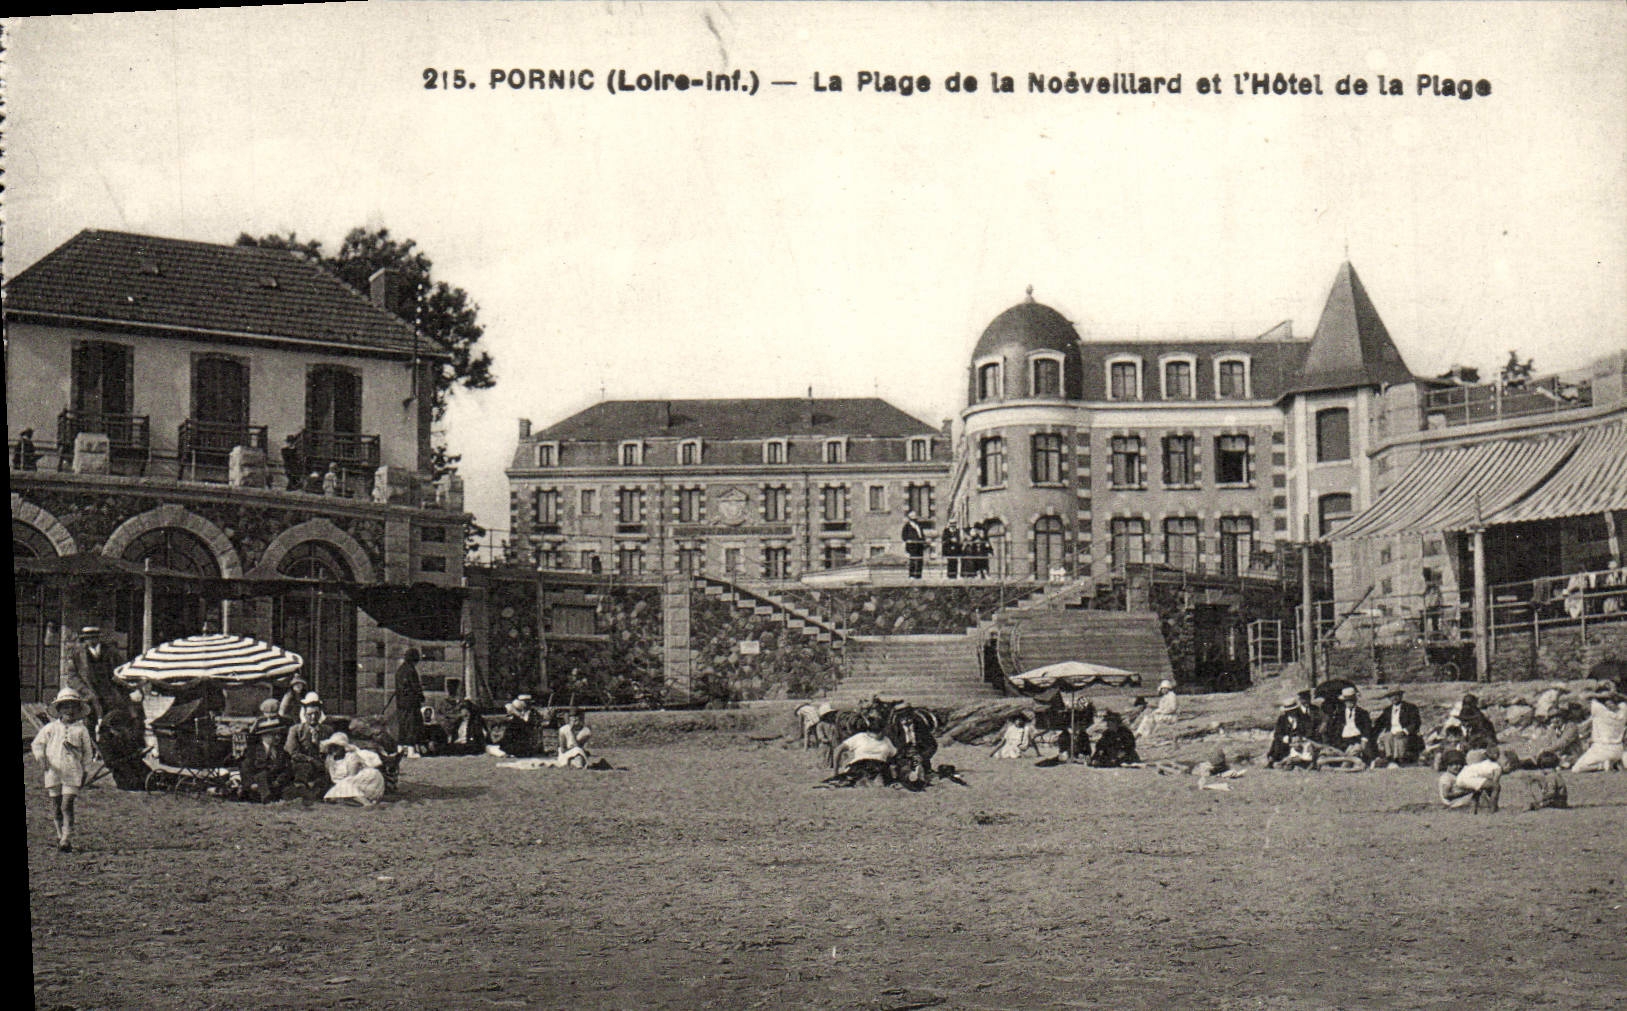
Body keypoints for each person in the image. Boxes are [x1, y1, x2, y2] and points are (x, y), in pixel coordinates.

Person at [32, 687, 97, 853]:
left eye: (73, 706)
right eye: (65, 707)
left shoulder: (81, 730)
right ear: (59, 710)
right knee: (56, 805)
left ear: (78, 709)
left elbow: (88, 754)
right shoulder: (51, 728)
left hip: (73, 772)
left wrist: (86, 771)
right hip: (53, 771)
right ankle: (60, 835)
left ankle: (67, 837)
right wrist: (41, 757)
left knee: (67, 805)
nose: (69, 710)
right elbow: (37, 744)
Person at [320, 732, 386, 806]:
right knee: (332, 798)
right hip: (345, 784)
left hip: (365, 780)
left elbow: (351, 777)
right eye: (332, 746)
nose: (334, 749)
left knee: (345, 785)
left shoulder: (351, 757)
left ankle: (366, 803)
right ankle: (357, 801)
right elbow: (330, 777)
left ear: (343, 748)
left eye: (337, 747)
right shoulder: (330, 759)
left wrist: (338, 786)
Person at [1570, 689, 1627, 773]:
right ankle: (1616, 762)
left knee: (1576, 768)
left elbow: (1582, 696)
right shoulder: (1623, 710)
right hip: (1618, 749)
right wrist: (1615, 694)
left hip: (1601, 748)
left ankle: (1602, 765)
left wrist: (1601, 695)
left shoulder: (1600, 710)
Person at [238, 716, 292, 803]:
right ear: (264, 735)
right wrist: (251, 784)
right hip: (257, 787)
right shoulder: (252, 751)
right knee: (262, 775)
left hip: (276, 785)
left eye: (279, 734)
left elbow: (288, 770)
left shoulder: (282, 752)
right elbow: (245, 769)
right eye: (274, 734)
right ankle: (267, 799)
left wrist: (279, 781)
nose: (278, 737)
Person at [285, 692, 331, 792]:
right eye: (310, 714)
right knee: (303, 768)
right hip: (303, 765)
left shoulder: (327, 730)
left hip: (323, 766)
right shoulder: (296, 730)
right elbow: (293, 753)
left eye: (316, 714)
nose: (313, 717)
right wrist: (311, 760)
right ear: (304, 714)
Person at [832, 718, 898, 784]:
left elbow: (894, 755)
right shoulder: (860, 737)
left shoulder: (886, 740)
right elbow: (838, 750)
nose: (880, 734)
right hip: (860, 765)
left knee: (880, 779)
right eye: (875, 731)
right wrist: (835, 772)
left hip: (879, 767)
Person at [1437, 749, 1503, 812]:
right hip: (1454, 803)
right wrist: (1467, 792)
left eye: (1460, 764)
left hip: (1460, 800)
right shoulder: (1447, 777)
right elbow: (1446, 795)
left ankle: (1489, 807)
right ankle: (1490, 809)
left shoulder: (1459, 775)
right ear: (1447, 765)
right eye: (1454, 764)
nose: (1458, 766)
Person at [1373, 688, 1423, 765]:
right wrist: (1371, 734)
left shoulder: (1410, 707)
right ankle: (1389, 758)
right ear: (1389, 698)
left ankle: (1399, 759)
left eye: (1396, 695)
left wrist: (1405, 731)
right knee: (1387, 736)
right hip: (1391, 732)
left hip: (1405, 733)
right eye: (1391, 696)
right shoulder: (1388, 710)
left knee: (1398, 738)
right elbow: (1379, 724)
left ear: (1401, 696)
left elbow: (1416, 722)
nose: (1394, 698)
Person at [1324, 686, 1374, 761]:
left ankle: (1347, 762)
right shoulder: (1339, 714)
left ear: (1355, 700)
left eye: (1351, 700)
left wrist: (1364, 740)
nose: (1349, 703)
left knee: (1356, 749)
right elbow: (1333, 729)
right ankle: (1347, 760)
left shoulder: (1362, 713)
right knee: (1334, 751)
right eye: (1347, 701)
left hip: (1357, 739)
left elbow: (1367, 728)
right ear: (1344, 702)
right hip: (1343, 741)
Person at [1266, 695, 1317, 767]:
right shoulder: (1282, 719)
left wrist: (1300, 738)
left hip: (1300, 742)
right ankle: (1273, 760)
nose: (1292, 712)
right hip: (1286, 743)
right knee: (1277, 742)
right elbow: (1277, 734)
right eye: (1289, 711)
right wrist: (1286, 738)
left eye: (1293, 710)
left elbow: (1309, 731)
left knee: (1307, 749)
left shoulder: (1304, 718)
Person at [392, 649, 426, 758]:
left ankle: (400, 750)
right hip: (411, 703)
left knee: (402, 727)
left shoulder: (400, 670)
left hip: (401, 703)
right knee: (412, 727)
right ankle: (411, 751)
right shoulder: (411, 670)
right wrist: (421, 696)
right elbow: (415, 687)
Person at [901, 511, 928, 580]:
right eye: (912, 518)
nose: (914, 519)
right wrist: (909, 541)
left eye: (915, 518)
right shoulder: (907, 526)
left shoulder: (918, 526)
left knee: (919, 561)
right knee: (913, 561)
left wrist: (924, 541)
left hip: (919, 546)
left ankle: (918, 575)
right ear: (910, 518)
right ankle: (912, 575)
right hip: (912, 547)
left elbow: (921, 535)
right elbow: (904, 536)